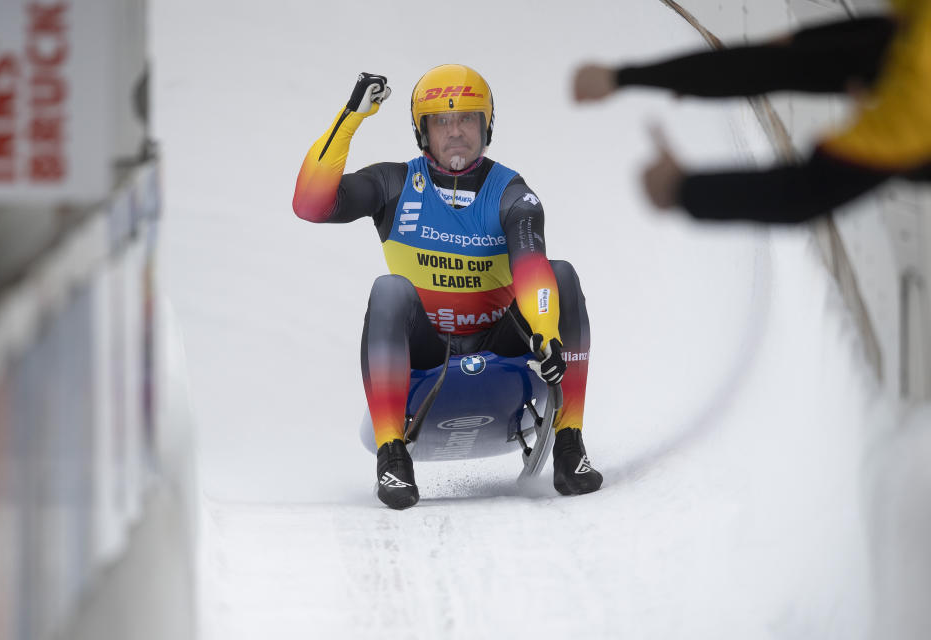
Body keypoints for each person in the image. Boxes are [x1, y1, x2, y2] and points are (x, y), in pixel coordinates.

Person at [293, 65, 603, 509]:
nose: (455, 131)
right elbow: (309, 204)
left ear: (486, 125)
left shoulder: (513, 193)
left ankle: (570, 447)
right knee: (389, 288)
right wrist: (351, 118)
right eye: (441, 120)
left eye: (467, 119)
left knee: (563, 273)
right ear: (423, 131)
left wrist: (547, 335)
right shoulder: (393, 183)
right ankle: (392, 457)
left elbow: (531, 266)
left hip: (502, 341)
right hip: (424, 351)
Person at [571, 0, 931, 223]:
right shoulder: (914, 103)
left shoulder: (913, 92)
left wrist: (682, 188)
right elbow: (806, 194)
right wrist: (682, 190)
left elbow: (803, 194)